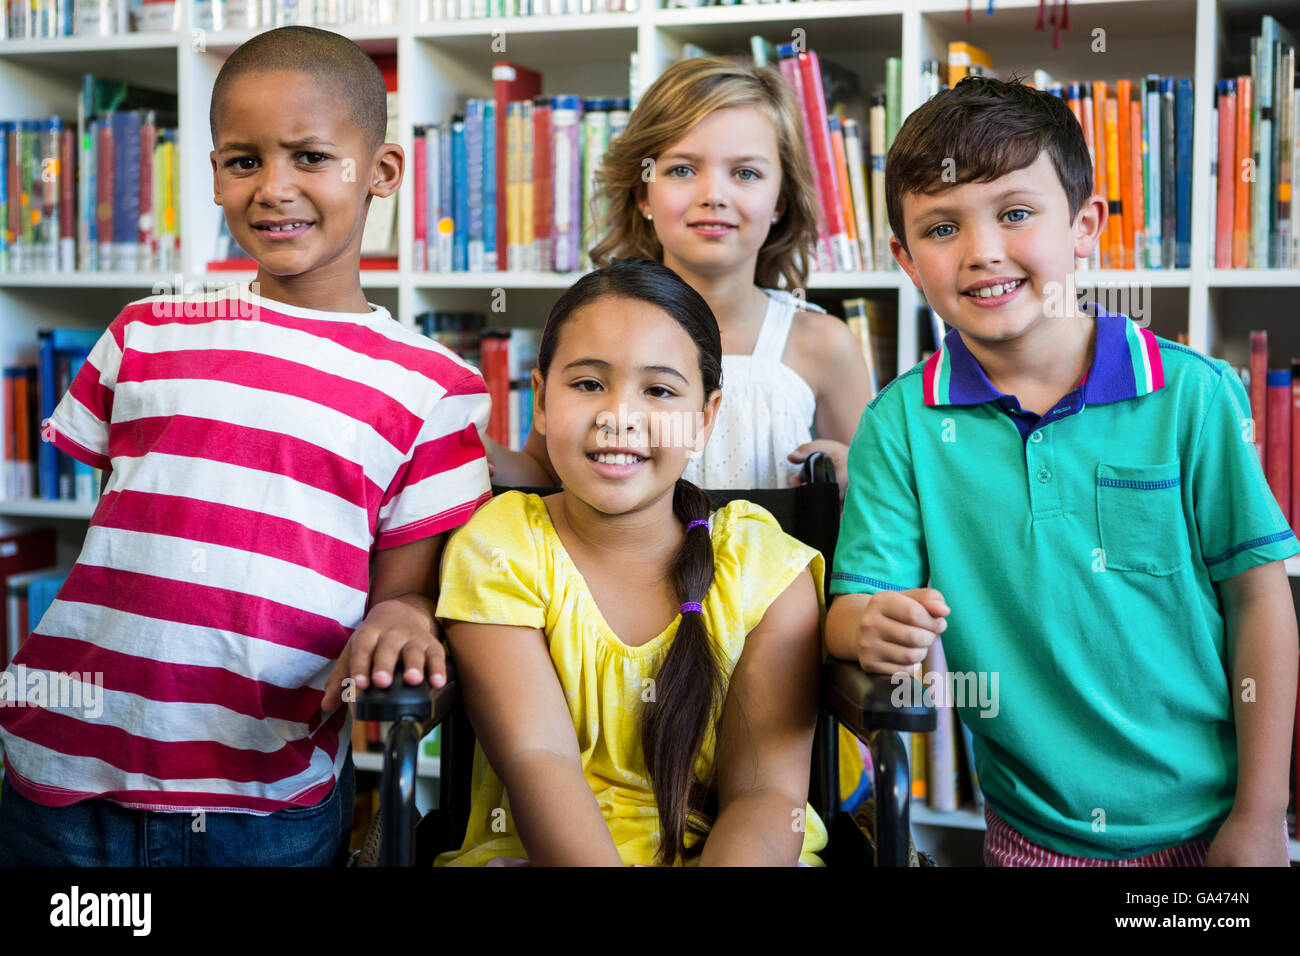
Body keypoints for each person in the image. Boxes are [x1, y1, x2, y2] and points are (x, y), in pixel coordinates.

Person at [0, 26, 491, 866]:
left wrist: (404, 620)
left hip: (262, 799)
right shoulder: (145, 331)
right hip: (60, 775)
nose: (274, 188)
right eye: (242, 161)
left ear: (380, 174)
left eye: (309, 156)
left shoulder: (432, 387)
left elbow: (401, 594)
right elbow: (130, 532)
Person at [826, 75, 1299, 866]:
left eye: (1015, 213)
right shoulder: (899, 426)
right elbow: (851, 609)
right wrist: (868, 626)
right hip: (1027, 833)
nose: (982, 252)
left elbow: (1259, 600)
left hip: (1216, 825)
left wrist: (1261, 812)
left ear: (1085, 226)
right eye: (942, 228)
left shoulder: (1193, 395)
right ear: (905, 260)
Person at [434, 257, 828, 866]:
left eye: (660, 391)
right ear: (540, 400)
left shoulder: (763, 565)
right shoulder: (501, 548)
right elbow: (542, 762)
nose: (619, 416)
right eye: (588, 384)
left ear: (706, 419)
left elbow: (766, 794)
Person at [488, 56, 870, 498]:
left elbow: (874, 504)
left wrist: (851, 482)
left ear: (781, 200)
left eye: (746, 173)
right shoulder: (593, 327)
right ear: (643, 194)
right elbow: (542, 472)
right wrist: (479, 451)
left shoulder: (825, 346)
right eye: (682, 170)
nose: (713, 196)